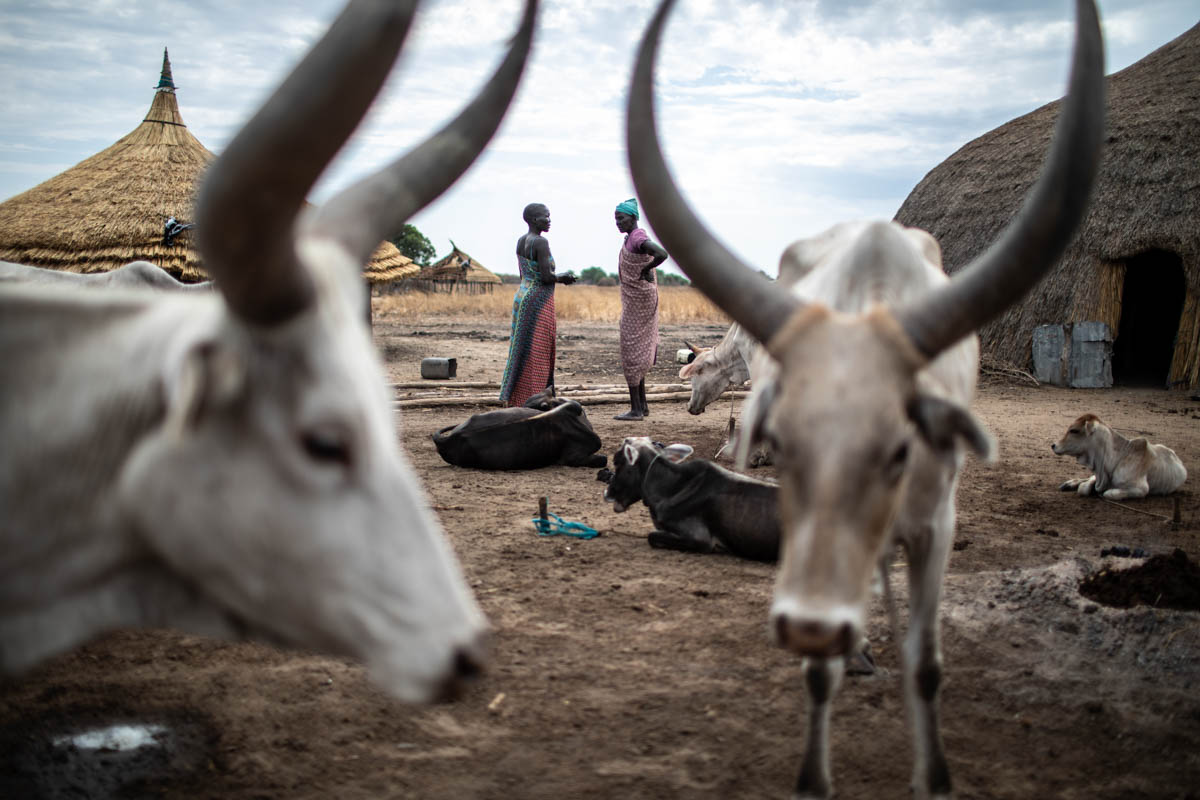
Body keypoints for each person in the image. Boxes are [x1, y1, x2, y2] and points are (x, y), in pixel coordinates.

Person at [499, 203, 576, 407]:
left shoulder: (521, 241)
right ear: (534, 220)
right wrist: (564, 277)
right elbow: (546, 276)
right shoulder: (541, 242)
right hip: (538, 300)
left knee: (520, 347)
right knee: (538, 351)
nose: (549, 220)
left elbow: (524, 273)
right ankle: (535, 399)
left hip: (522, 296)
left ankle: (516, 398)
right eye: (546, 217)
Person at [613, 198, 669, 421]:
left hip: (640, 301)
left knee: (631, 348)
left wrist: (647, 268)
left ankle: (636, 409)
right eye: (615, 219)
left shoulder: (638, 237)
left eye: (621, 218)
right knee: (635, 348)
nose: (617, 223)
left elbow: (662, 254)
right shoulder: (631, 238)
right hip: (637, 300)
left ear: (633, 218)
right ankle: (642, 405)